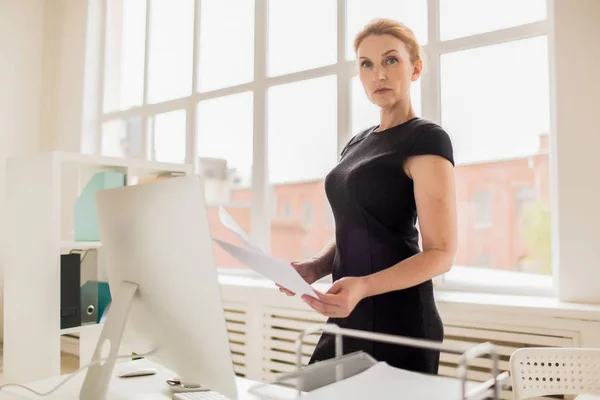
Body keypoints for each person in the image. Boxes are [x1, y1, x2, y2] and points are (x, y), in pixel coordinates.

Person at [279, 18, 457, 375]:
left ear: (415, 69)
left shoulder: (427, 139)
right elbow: (358, 226)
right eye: (367, 64)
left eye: (391, 60)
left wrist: (363, 287)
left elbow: (441, 254)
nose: (379, 74)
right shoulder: (358, 142)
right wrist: (316, 265)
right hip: (348, 312)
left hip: (399, 321)